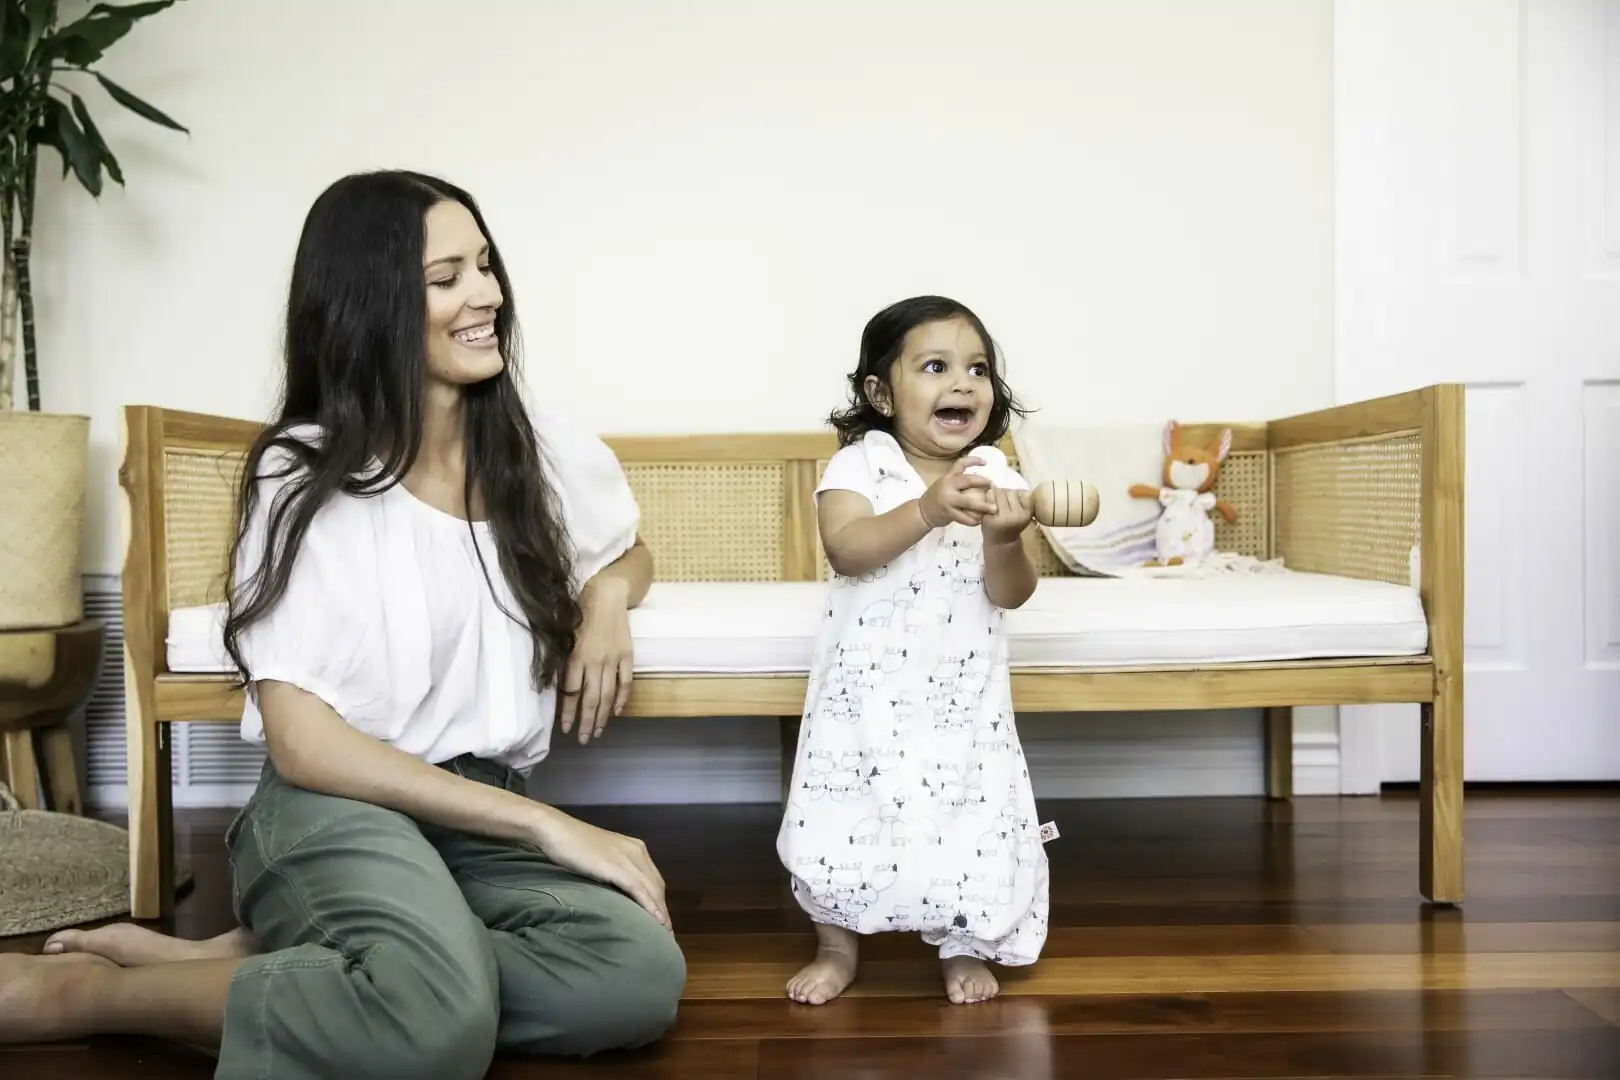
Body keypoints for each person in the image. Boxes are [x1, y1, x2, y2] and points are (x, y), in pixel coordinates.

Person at [0, 170, 686, 1077]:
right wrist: (546, 826)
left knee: (636, 978)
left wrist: (604, 604)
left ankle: (297, 965)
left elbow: (628, 554)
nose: (486, 294)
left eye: (485, 266)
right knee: (436, 1026)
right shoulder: (304, 474)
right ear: (372, 304)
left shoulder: (540, 449)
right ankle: (91, 997)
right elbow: (302, 743)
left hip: (473, 809)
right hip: (334, 805)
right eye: (447, 278)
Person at [776, 295, 1051, 1006]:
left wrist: (1003, 538)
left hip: (963, 701)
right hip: (864, 697)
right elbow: (847, 548)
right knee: (844, 815)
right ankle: (836, 944)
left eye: (978, 369)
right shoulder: (860, 466)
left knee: (970, 819)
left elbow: (1012, 592)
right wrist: (928, 508)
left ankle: (964, 943)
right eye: (936, 367)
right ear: (880, 393)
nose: (964, 383)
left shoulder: (995, 474)